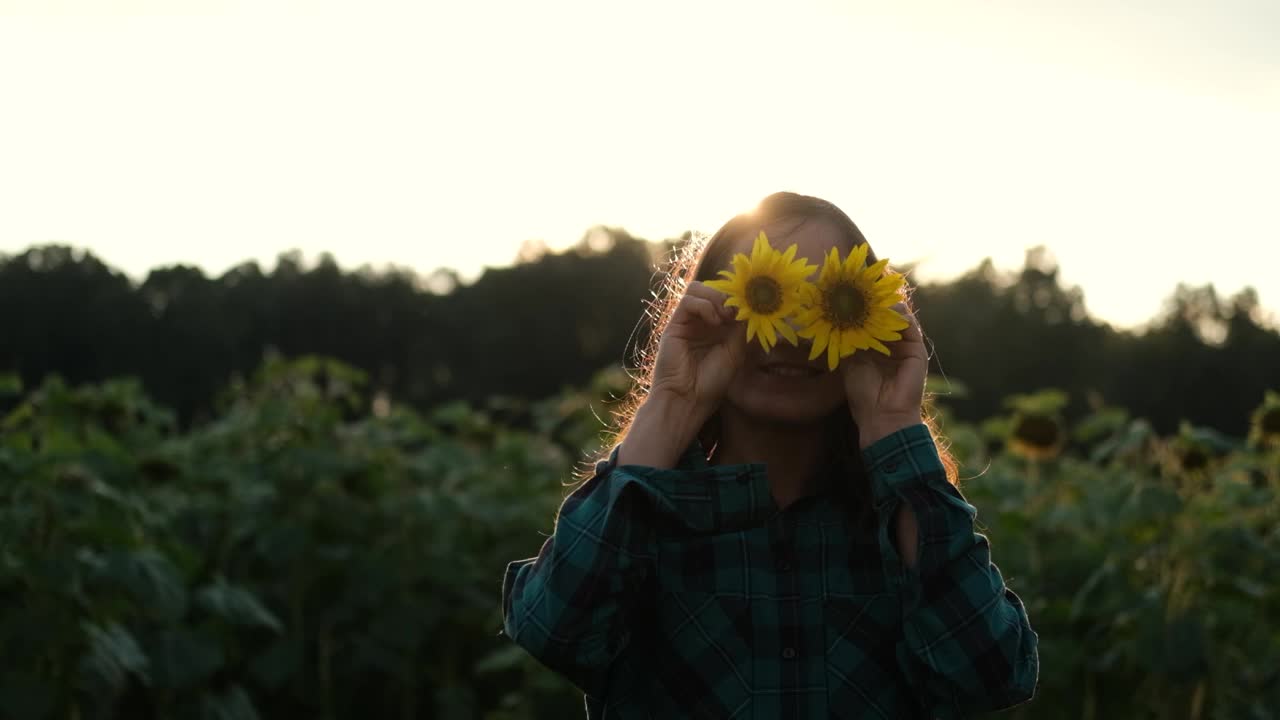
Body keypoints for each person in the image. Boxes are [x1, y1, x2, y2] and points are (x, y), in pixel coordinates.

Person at [500, 192, 1039, 718]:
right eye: (766, 295)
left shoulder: (900, 526)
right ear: (707, 309)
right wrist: (672, 402)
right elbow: (556, 631)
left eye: (825, 301)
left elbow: (991, 675)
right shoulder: (645, 518)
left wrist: (893, 424)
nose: (790, 335)